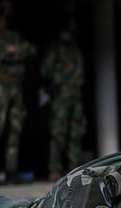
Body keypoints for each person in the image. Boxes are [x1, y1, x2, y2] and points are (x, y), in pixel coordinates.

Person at [0, 0, 36, 184]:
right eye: (1, 13)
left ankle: (10, 170)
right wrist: (14, 52)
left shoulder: (13, 36)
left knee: (16, 129)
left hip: (15, 87)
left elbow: (30, 50)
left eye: (6, 13)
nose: (3, 17)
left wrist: (17, 50)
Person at [40, 17, 86, 182]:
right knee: (58, 133)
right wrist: (59, 75)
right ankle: (54, 169)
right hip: (60, 96)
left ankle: (74, 168)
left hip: (75, 95)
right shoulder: (55, 49)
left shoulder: (75, 49)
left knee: (76, 133)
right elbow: (45, 70)